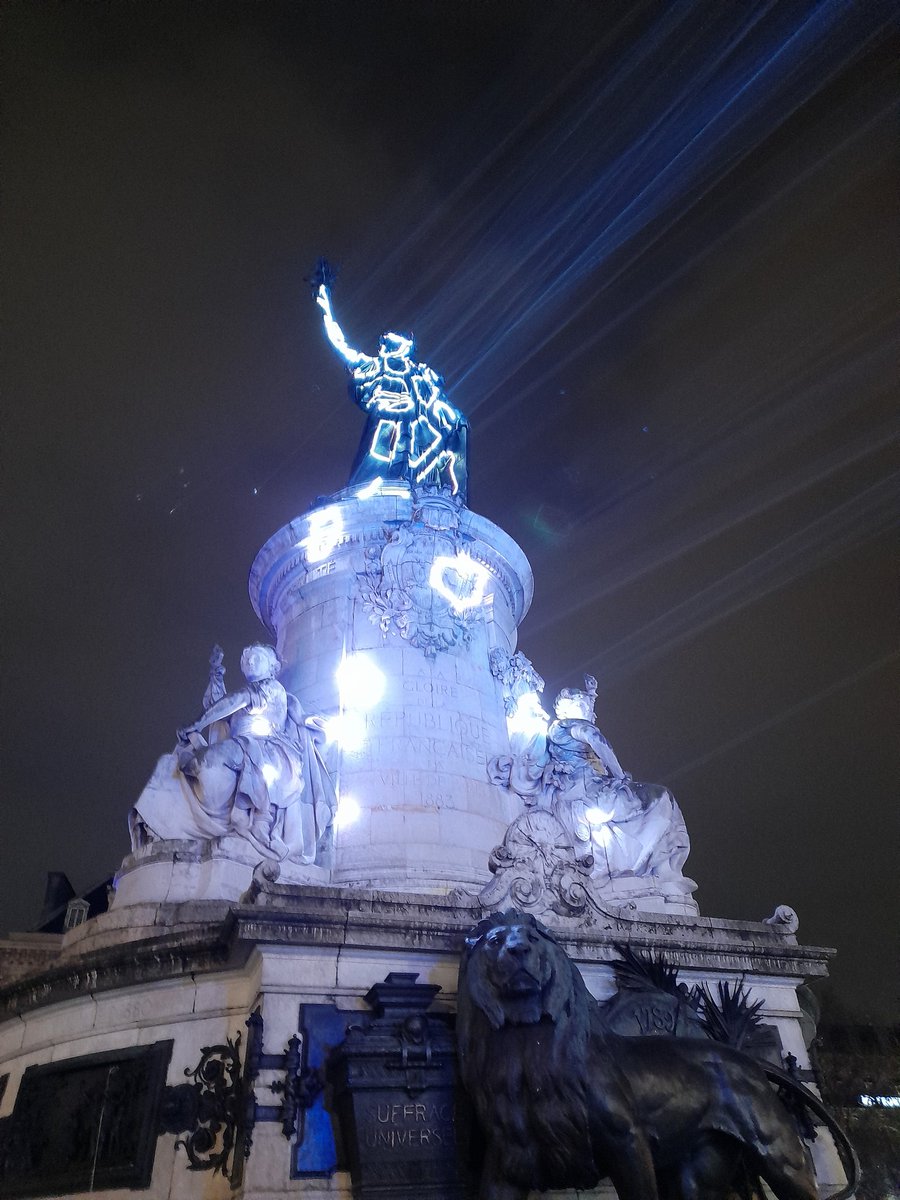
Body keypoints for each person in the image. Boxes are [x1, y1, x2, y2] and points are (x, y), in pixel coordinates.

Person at [132, 644, 336, 863]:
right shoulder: (248, 697)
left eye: (257, 657)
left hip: (268, 748)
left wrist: (196, 724)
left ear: (273, 667)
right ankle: (170, 819)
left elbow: (233, 701)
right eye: (245, 659)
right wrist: (216, 675)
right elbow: (222, 708)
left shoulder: (271, 687)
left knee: (209, 760)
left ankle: (258, 819)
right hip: (243, 745)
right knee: (179, 764)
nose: (249, 662)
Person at [314, 268, 468, 500]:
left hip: (415, 434)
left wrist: (454, 419)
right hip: (385, 426)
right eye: (390, 341)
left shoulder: (420, 373)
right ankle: (357, 497)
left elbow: (437, 402)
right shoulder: (374, 366)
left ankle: (444, 495)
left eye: (399, 342)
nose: (392, 345)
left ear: (408, 347)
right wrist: (324, 300)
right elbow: (339, 342)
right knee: (371, 468)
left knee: (444, 437)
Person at [546, 675, 690, 882]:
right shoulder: (568, 726)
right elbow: (596, 740)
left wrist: (591, 695)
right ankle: (659, 866)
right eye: (580, 704)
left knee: (661, 797)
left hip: (595, 785)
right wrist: (620, 775)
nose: (587, 710)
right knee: (658, 797)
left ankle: (661, 865)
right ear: (567, 709)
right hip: (587, 789)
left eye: (586, 705)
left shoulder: (566, 728)